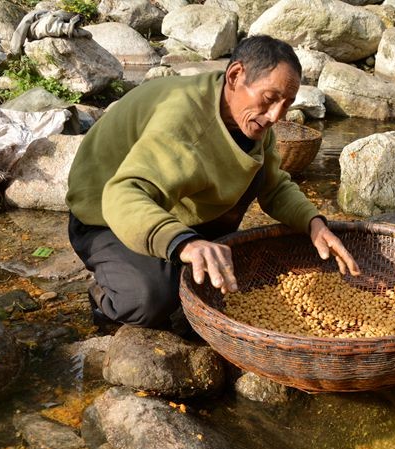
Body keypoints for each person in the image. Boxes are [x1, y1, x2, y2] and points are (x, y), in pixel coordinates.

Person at [66, 35, 360, 330]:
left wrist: (314, 223)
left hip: (168, 202)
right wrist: (188, 245)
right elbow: (122, 196)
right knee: (151, 299)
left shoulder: (249, 118)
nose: (276, 116)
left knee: (248, 190)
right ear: (235, 76)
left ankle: (183, 248)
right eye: (270, 99)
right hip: (105, 214)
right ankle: (105, 295)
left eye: (286, 104)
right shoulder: (182, 118)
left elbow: (275, 185)